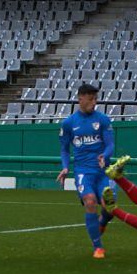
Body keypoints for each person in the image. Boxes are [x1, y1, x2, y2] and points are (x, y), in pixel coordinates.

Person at [56, 83, 115, 259]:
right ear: (80, 98)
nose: (94, 102)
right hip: (83, 171)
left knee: (110, 208)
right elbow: (65, 149)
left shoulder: (103, 120)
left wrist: (104, 155)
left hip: (104, 171)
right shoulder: (68, 124)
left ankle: (103, 222)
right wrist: (65, 167)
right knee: (90, 201)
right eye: (91, 99)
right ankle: (98, 247)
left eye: (96, 98)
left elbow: (110, 144)